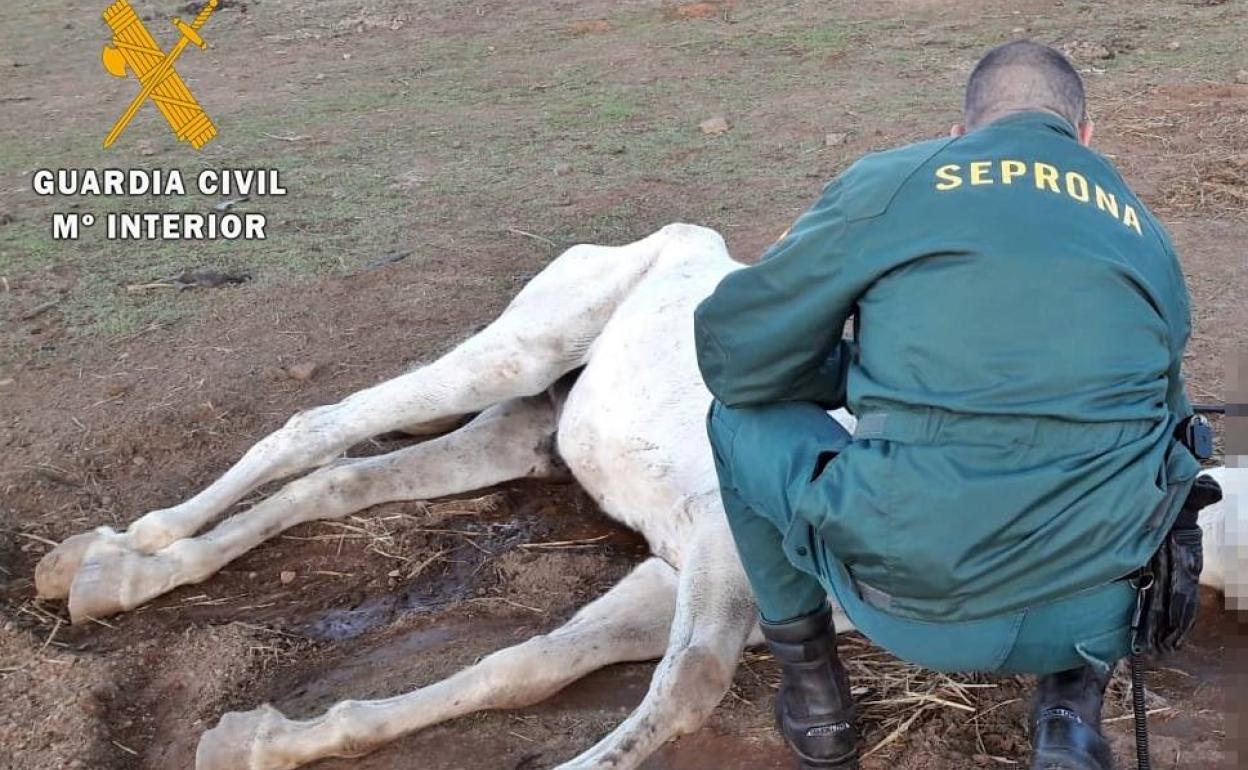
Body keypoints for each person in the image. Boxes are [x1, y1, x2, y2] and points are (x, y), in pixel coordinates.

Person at [694, 40, 1204, 770]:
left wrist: (854, 374)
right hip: (1103, 609)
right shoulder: (1143, 229)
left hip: (914, 610)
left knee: (733, 421)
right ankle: (1070, 707)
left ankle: (816, 697)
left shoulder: (899, 181)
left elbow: (737, 359)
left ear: (962, 133)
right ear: (1084, 137)